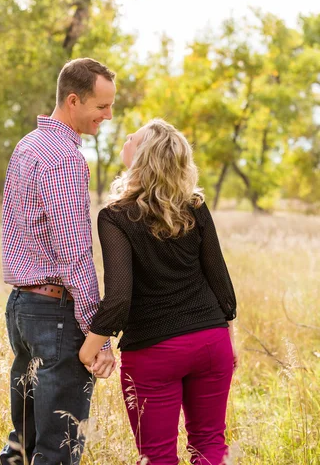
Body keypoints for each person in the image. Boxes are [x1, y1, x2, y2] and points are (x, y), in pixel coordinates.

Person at [79, 119, 238, 465]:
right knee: (210, 444)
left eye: (132, 137)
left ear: (142, 155)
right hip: (211, 342)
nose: (125, 138)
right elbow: (220, 279)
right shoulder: (194, 206)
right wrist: (227, 334)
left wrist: (88, 349)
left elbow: (119, 296)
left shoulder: (115, 216)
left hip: (154, 352)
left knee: (158, 456)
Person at [0, 58, 117, 465]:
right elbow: (73, 249)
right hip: (55, 312)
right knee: (57, 449)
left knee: (23, 441)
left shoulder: (28, 145)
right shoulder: (63, 157)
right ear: (73, 100)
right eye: (101, 106)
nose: (108, 114)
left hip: (23, 309)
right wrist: (95, 332)